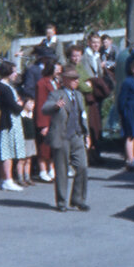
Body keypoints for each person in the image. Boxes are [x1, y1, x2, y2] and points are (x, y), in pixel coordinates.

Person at [42, 67, 90, 212]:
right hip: (61, 136)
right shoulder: (56, 94)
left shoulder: (79, 95)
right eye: (73, 78)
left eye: (77, 78)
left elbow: (83, 115)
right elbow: (45, 109)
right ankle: (61, 202)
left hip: (77, 134)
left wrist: (87, 134)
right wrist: (55, 106)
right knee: (61, 170)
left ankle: (78, 199)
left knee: (82, 166)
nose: (76, 81)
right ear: (65, 80)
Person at [0, 61, 26, 192]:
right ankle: (8, 179)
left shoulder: (7, 86)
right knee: (7, 150)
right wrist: (21, 105)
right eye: (13, 71)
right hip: (9, 120)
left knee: (6, 149)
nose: (15, 73)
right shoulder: (4, 87)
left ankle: (4, 179)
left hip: (12, 119)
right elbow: (14, 105)